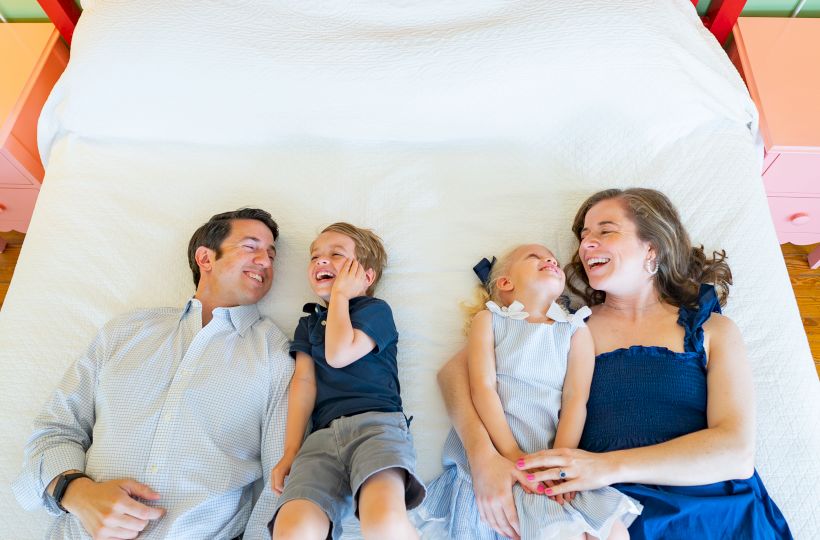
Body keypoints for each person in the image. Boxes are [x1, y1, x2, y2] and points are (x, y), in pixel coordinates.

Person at [437, 188, 792, 540]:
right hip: (612, 515)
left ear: (652, 248)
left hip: (716, 513)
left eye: (605, 231)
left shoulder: (711, 329)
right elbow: (454, 375)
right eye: (583, 236)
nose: (586, 245)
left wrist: (606, 467)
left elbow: (736, 454)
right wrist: (483, 458)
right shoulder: (567, 327)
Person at [13, 208, 294, 539]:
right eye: (250, 247)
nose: (265, 261)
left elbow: (281, 482)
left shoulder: (277, 354)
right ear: (205, 258)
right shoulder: (126, 332)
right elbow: (56, 430)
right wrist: (77, 492)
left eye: (271, 255)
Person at [420, 243, 641, 540]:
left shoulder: (575, 330)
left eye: (553, 259)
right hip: (498, 452)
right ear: (505, 283)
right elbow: (482, 387)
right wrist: (511, 452)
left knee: (614, 531)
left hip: (546, 457)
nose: (550, 259)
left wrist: (557, 463)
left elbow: (575, 400)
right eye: (534, 257)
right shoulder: (490, 320)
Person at [269, 222, 425, 540]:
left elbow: (339, 354)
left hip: (377, 428)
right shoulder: (309, 324)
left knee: (383, 521)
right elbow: (304, 384)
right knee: (293, 529)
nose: (321, 261)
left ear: (366, 277)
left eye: (336, 254)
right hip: (321, 440)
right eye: (315, 257)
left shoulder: (374, 310)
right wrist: (291, 450)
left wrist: (340, 296)